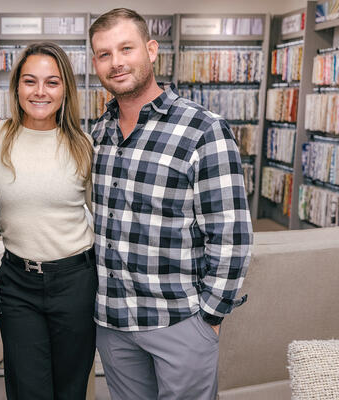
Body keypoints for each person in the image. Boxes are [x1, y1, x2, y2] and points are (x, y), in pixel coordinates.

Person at [89, 8, 253, 400]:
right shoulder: (97, 133)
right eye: (104, 54)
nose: (116, 63)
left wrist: (209, 317)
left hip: (178, 320)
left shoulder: (203, 129)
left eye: (126, 48)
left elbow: (231, 233)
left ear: (151, 50)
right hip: (113, 323)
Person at [0, 42, 96, 400]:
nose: (40, 92)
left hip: (76, 281)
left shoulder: (84, 146)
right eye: (30, 81)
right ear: (16, 88)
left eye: (52, 82)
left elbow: (103, 216)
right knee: (28, 388)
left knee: (71, 388)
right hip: (17, 284)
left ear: (65, 90)